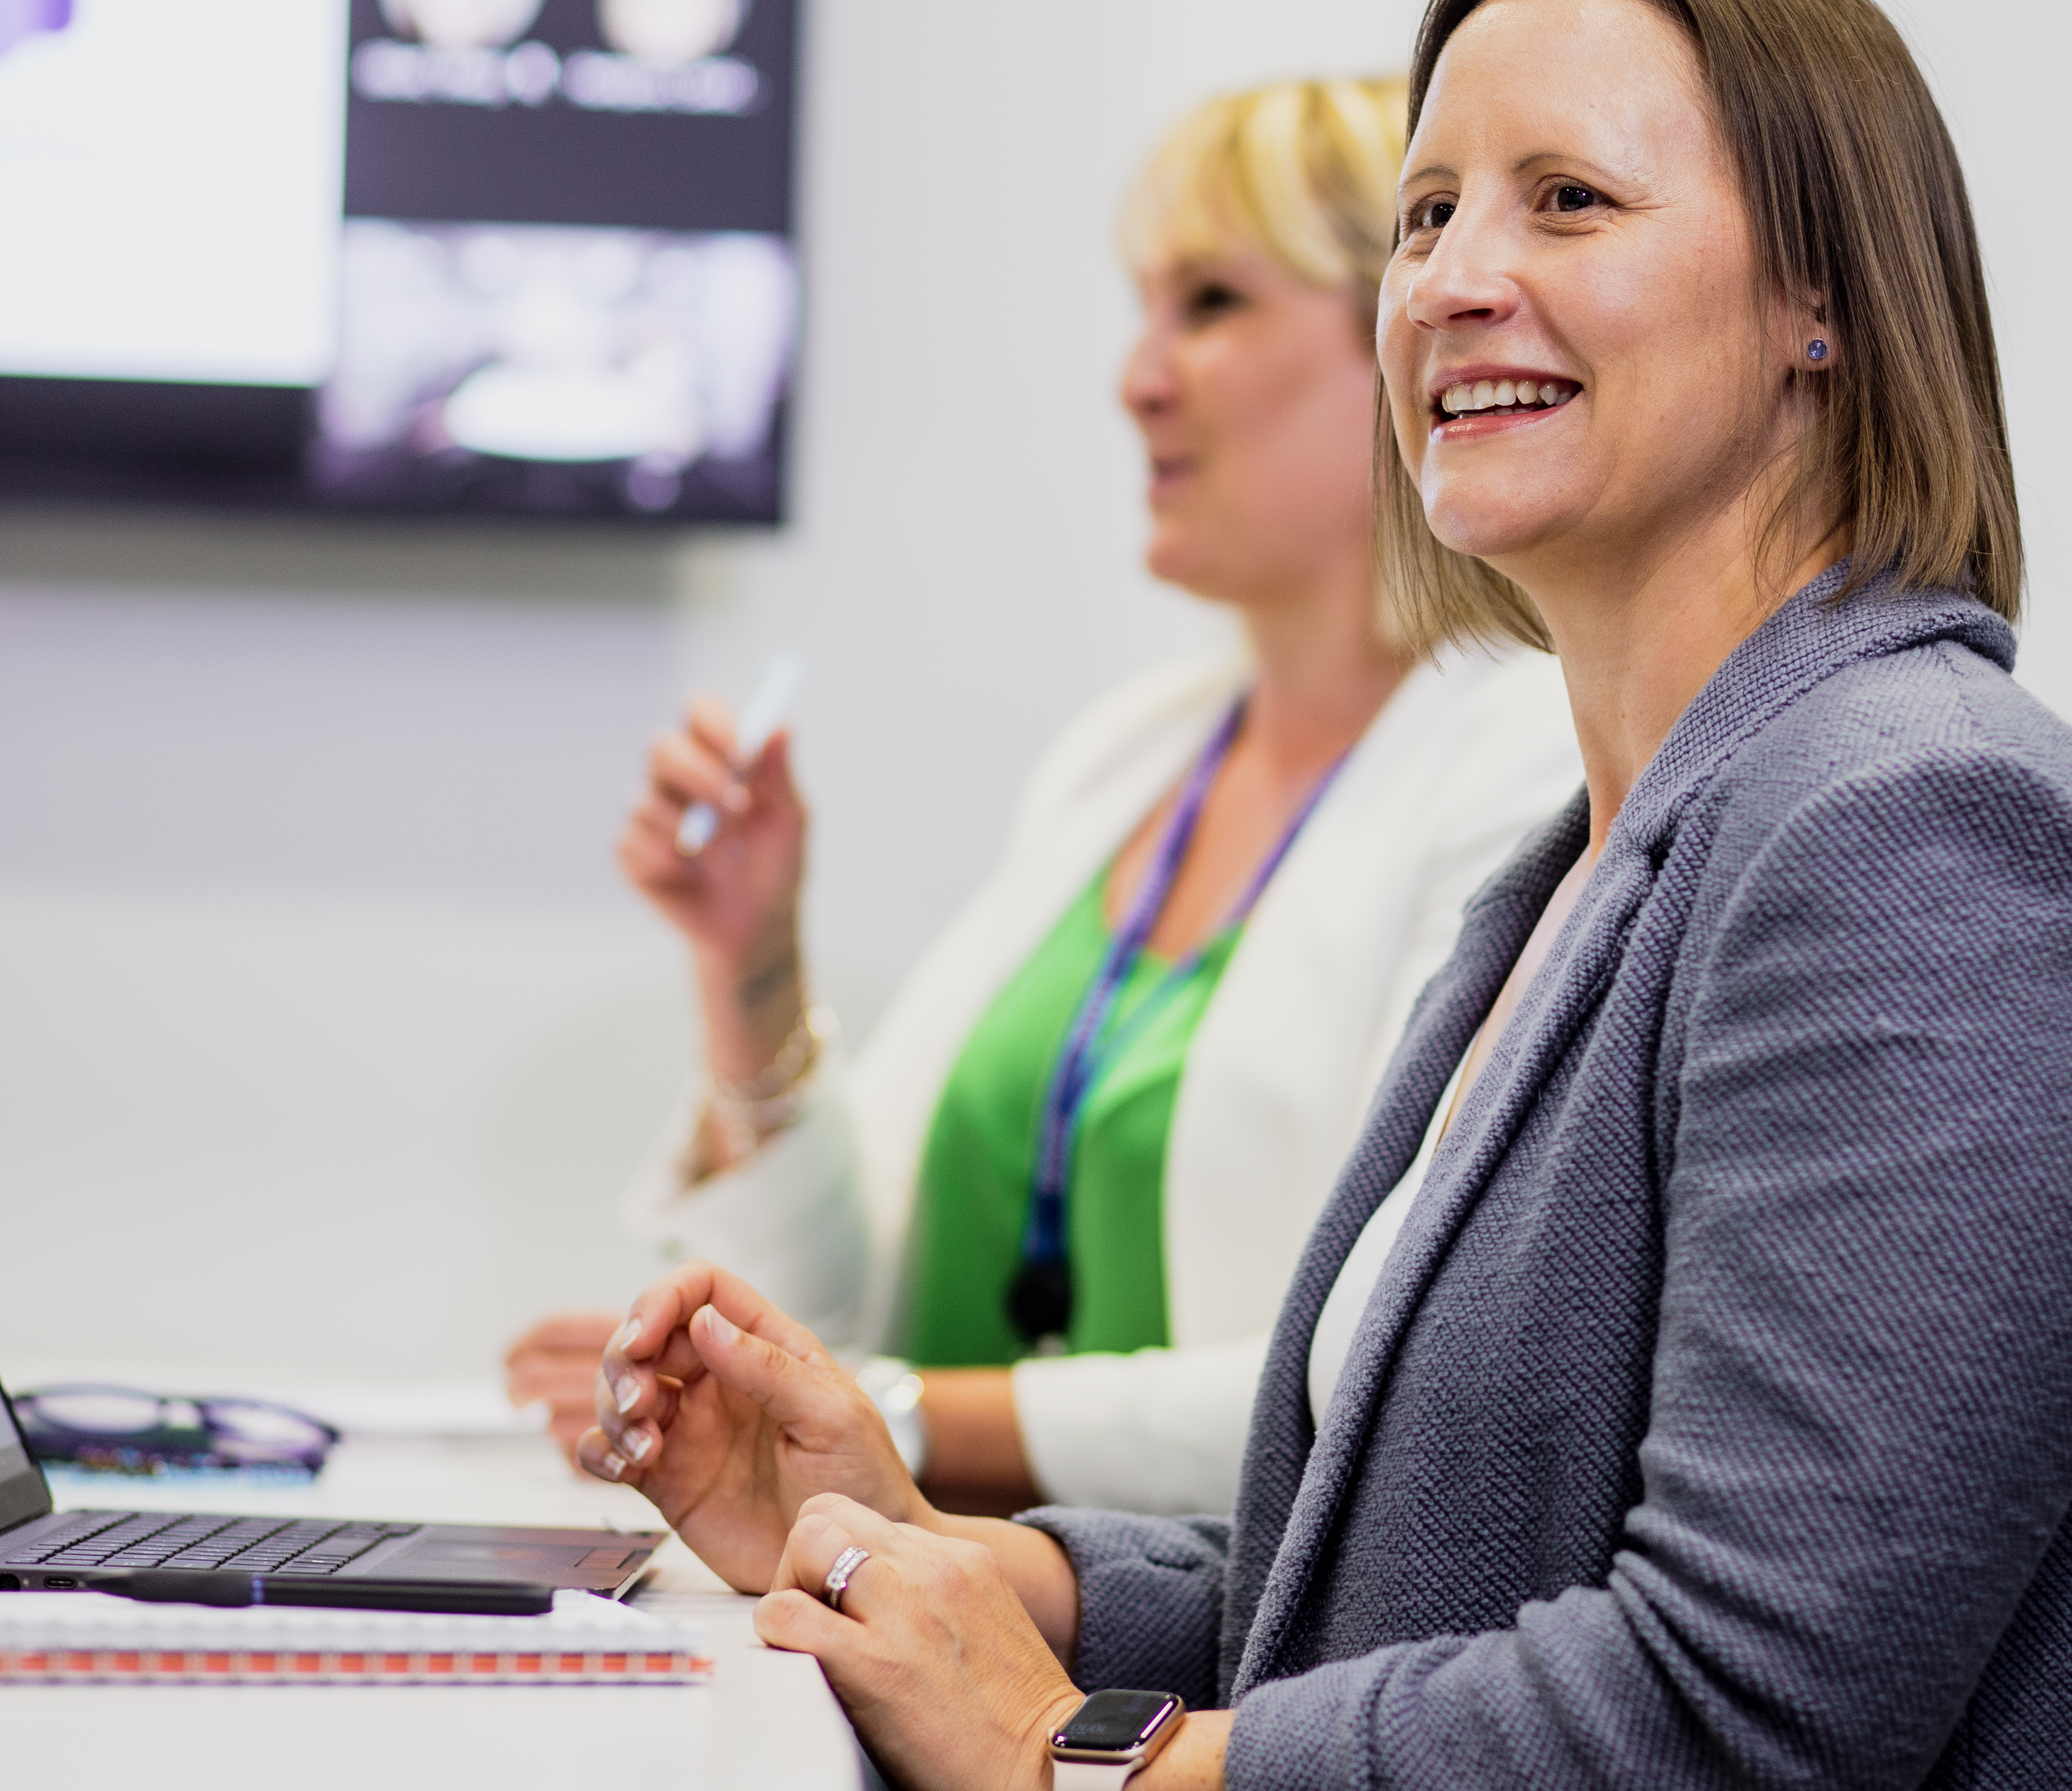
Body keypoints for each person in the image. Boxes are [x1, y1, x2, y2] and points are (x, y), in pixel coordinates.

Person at [575, 0, 2072, 1787]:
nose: (1456, 281)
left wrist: (1086, 1761)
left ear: (1824, 303)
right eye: (1428, 216)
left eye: (1568, 202)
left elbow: (1734, 1718)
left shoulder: (1927, 844)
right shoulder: (1597, 860)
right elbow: (1405, 1587)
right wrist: (955, 1565)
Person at [507, 77, 1580, 1517]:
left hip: (1184, 1669)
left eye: (1209, 303)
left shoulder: (1533, 765)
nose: (1138, 377)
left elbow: (1368, 1377)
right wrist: (752, 966)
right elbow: (839, 1298)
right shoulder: (1134, 754)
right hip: (918, 1614)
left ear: (1406, 330)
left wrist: (878, 1413)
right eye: (1144, 309)